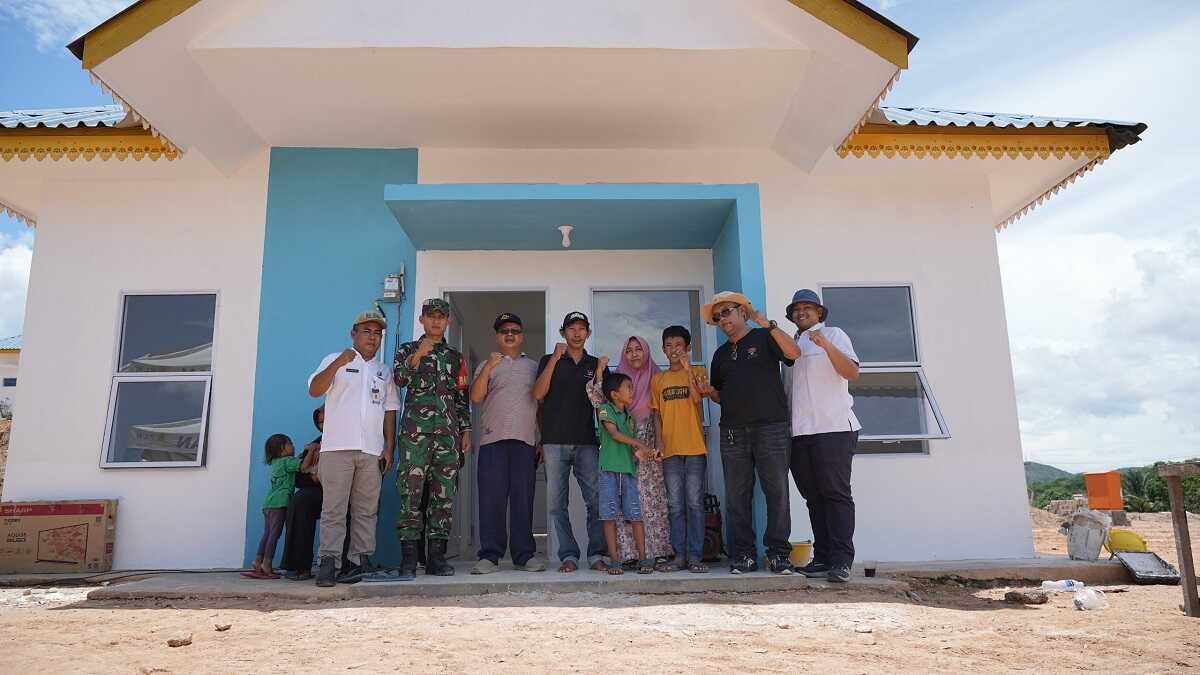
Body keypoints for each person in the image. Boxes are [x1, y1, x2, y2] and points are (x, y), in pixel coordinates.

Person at [704, 291, 801, 575]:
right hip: (732, 432)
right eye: (717, 316)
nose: (722, 319)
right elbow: (721, 395)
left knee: (777, 493)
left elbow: (794, 354)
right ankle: (744, 555)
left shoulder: (764, 337)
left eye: (727, 312)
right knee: (737, 496)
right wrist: (709, 393)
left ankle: (779, 555)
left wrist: (766, 323)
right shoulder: (720, 354)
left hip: (771, 427)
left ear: (742, 312)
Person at [307, 309, 400, 587]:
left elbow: (390, 410)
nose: (372, 337)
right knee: (334, 509)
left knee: (366, 510)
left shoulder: (384, 371)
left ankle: (359, 561)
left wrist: (389, 447)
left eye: (377, 333)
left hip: (371, 451)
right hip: (337, 448)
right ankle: (329, 563)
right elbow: (314, 390)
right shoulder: (334, 359)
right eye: (366, 331)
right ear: (353, 333)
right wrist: (338, 363)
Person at [783, 289, 861, 583]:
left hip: (834, 428)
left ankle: (842, 561)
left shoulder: (834, 334)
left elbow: (851, 372)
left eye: (808, 307)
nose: (801, 312)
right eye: (796, 308)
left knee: (836, 494)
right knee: (813, 498)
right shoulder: (791, 344)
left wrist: (825, 345)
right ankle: (823, 558)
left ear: (819, 312)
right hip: (799, 432)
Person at [393, 298, 472, 577]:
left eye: (441, 316)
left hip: (448, 437)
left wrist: (465, 431)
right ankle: (409, 559)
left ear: (448, 321)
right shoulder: (407, 349)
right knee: (410, 495)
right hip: (415, 436)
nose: (436, 321)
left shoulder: (455, 357)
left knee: (443, 497)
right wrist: (418, 355)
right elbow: (399, 380)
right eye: (431, 316)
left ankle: (437, 558)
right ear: (422, 320)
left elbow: (461, 397)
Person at [469, 313, 547, 574]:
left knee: (523, 499)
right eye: (504, 331)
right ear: (497, 337)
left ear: (521, 336)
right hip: (493, 441)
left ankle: (524, 555)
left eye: (515, 330)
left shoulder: (533, 367)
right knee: (491, 500)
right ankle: (489, 556)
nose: (510, 334)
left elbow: (541, 405)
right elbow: (476, 397)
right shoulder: (486, 364)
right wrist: (489, 367)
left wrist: (542, 439)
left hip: (525, 441)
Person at [587, 336, 673, 569]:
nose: (634, 354)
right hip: (623, 454)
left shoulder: (656, 377)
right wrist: (600, 371)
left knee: (650, 501)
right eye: (629, 350)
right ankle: (627, 554)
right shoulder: (617, 384)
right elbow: (598, 398)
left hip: (649, 446)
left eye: (638, 349)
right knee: (623, 503)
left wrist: (658, 444)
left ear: (646, 352)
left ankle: (656, 552)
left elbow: (659, 414)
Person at [532, 311, 607, 573]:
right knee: (556, 505)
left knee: (596, 501)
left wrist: (600, 373)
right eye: (571, 328)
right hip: (554, 442)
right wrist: (554, 358)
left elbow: (602, 403)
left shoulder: (594, 363)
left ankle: (596, 554)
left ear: (588, 333)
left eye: (581, 328)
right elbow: (538, 394)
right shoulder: (549, 360)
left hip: (587, 442)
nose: (577, 333)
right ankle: (569, 555)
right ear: (563, 333)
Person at [652, 325, 712, 573]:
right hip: (671, 450)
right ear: (663, 350)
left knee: (695, 503)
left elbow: (697, 400)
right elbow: (657, 415)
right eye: (669, 345)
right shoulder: (659, 379)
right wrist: (659, 442)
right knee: (675, 505)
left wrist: (688, 370)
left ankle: (695, 557)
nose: (673, 350)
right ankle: (679, 556)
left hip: (694, 447)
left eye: (678, 345)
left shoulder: (698, 372)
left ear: (688, 348)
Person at [279, 406, 353, 581]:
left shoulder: (352, 442)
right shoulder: (315, 444)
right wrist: (313, 478)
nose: (323, 425)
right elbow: (299, 478)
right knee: (301, 500)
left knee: (352, 504)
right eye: (320, 422)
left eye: (327, 420)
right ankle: (299, 565)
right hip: (321, 492)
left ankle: (347, 565)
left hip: (346, 492)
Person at [596, 372, 656, 575]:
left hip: (629, 472)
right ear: (615, 394)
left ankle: (643, 558)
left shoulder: (630, 417)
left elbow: (631, 448)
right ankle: (615, 561)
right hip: (608, 471)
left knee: (636, 515)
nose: (632, 391)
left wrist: (646, 452)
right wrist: (639, 443)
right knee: (609, 516)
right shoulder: (605, 409)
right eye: (628, 387)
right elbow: (614, 434)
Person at [245, 434, 316, 579]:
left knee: (267, 533)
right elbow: (303, 467)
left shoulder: (275, 462)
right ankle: (267, 564)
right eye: (290, 444)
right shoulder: (287, 461)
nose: (293, 446)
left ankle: (257, 561)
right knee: (274, 535)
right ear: (282, 449)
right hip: (280, 503)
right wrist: (311, 451)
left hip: (268, 503)